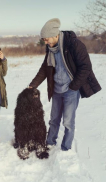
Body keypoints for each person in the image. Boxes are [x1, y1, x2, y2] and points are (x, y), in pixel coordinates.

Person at [29, 18, 101, 151]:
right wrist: (33, 85)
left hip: (71, 90)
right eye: (43, 39)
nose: (45, 42)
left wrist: (74, 86)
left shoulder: (74, 45)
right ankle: (50, 143)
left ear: (55, 34)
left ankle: (65, 148)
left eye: (46, 39)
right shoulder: (50, 48)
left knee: (68, 122)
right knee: (54, 119)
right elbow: (45, 69)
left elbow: (85, 67)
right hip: (56, 89)